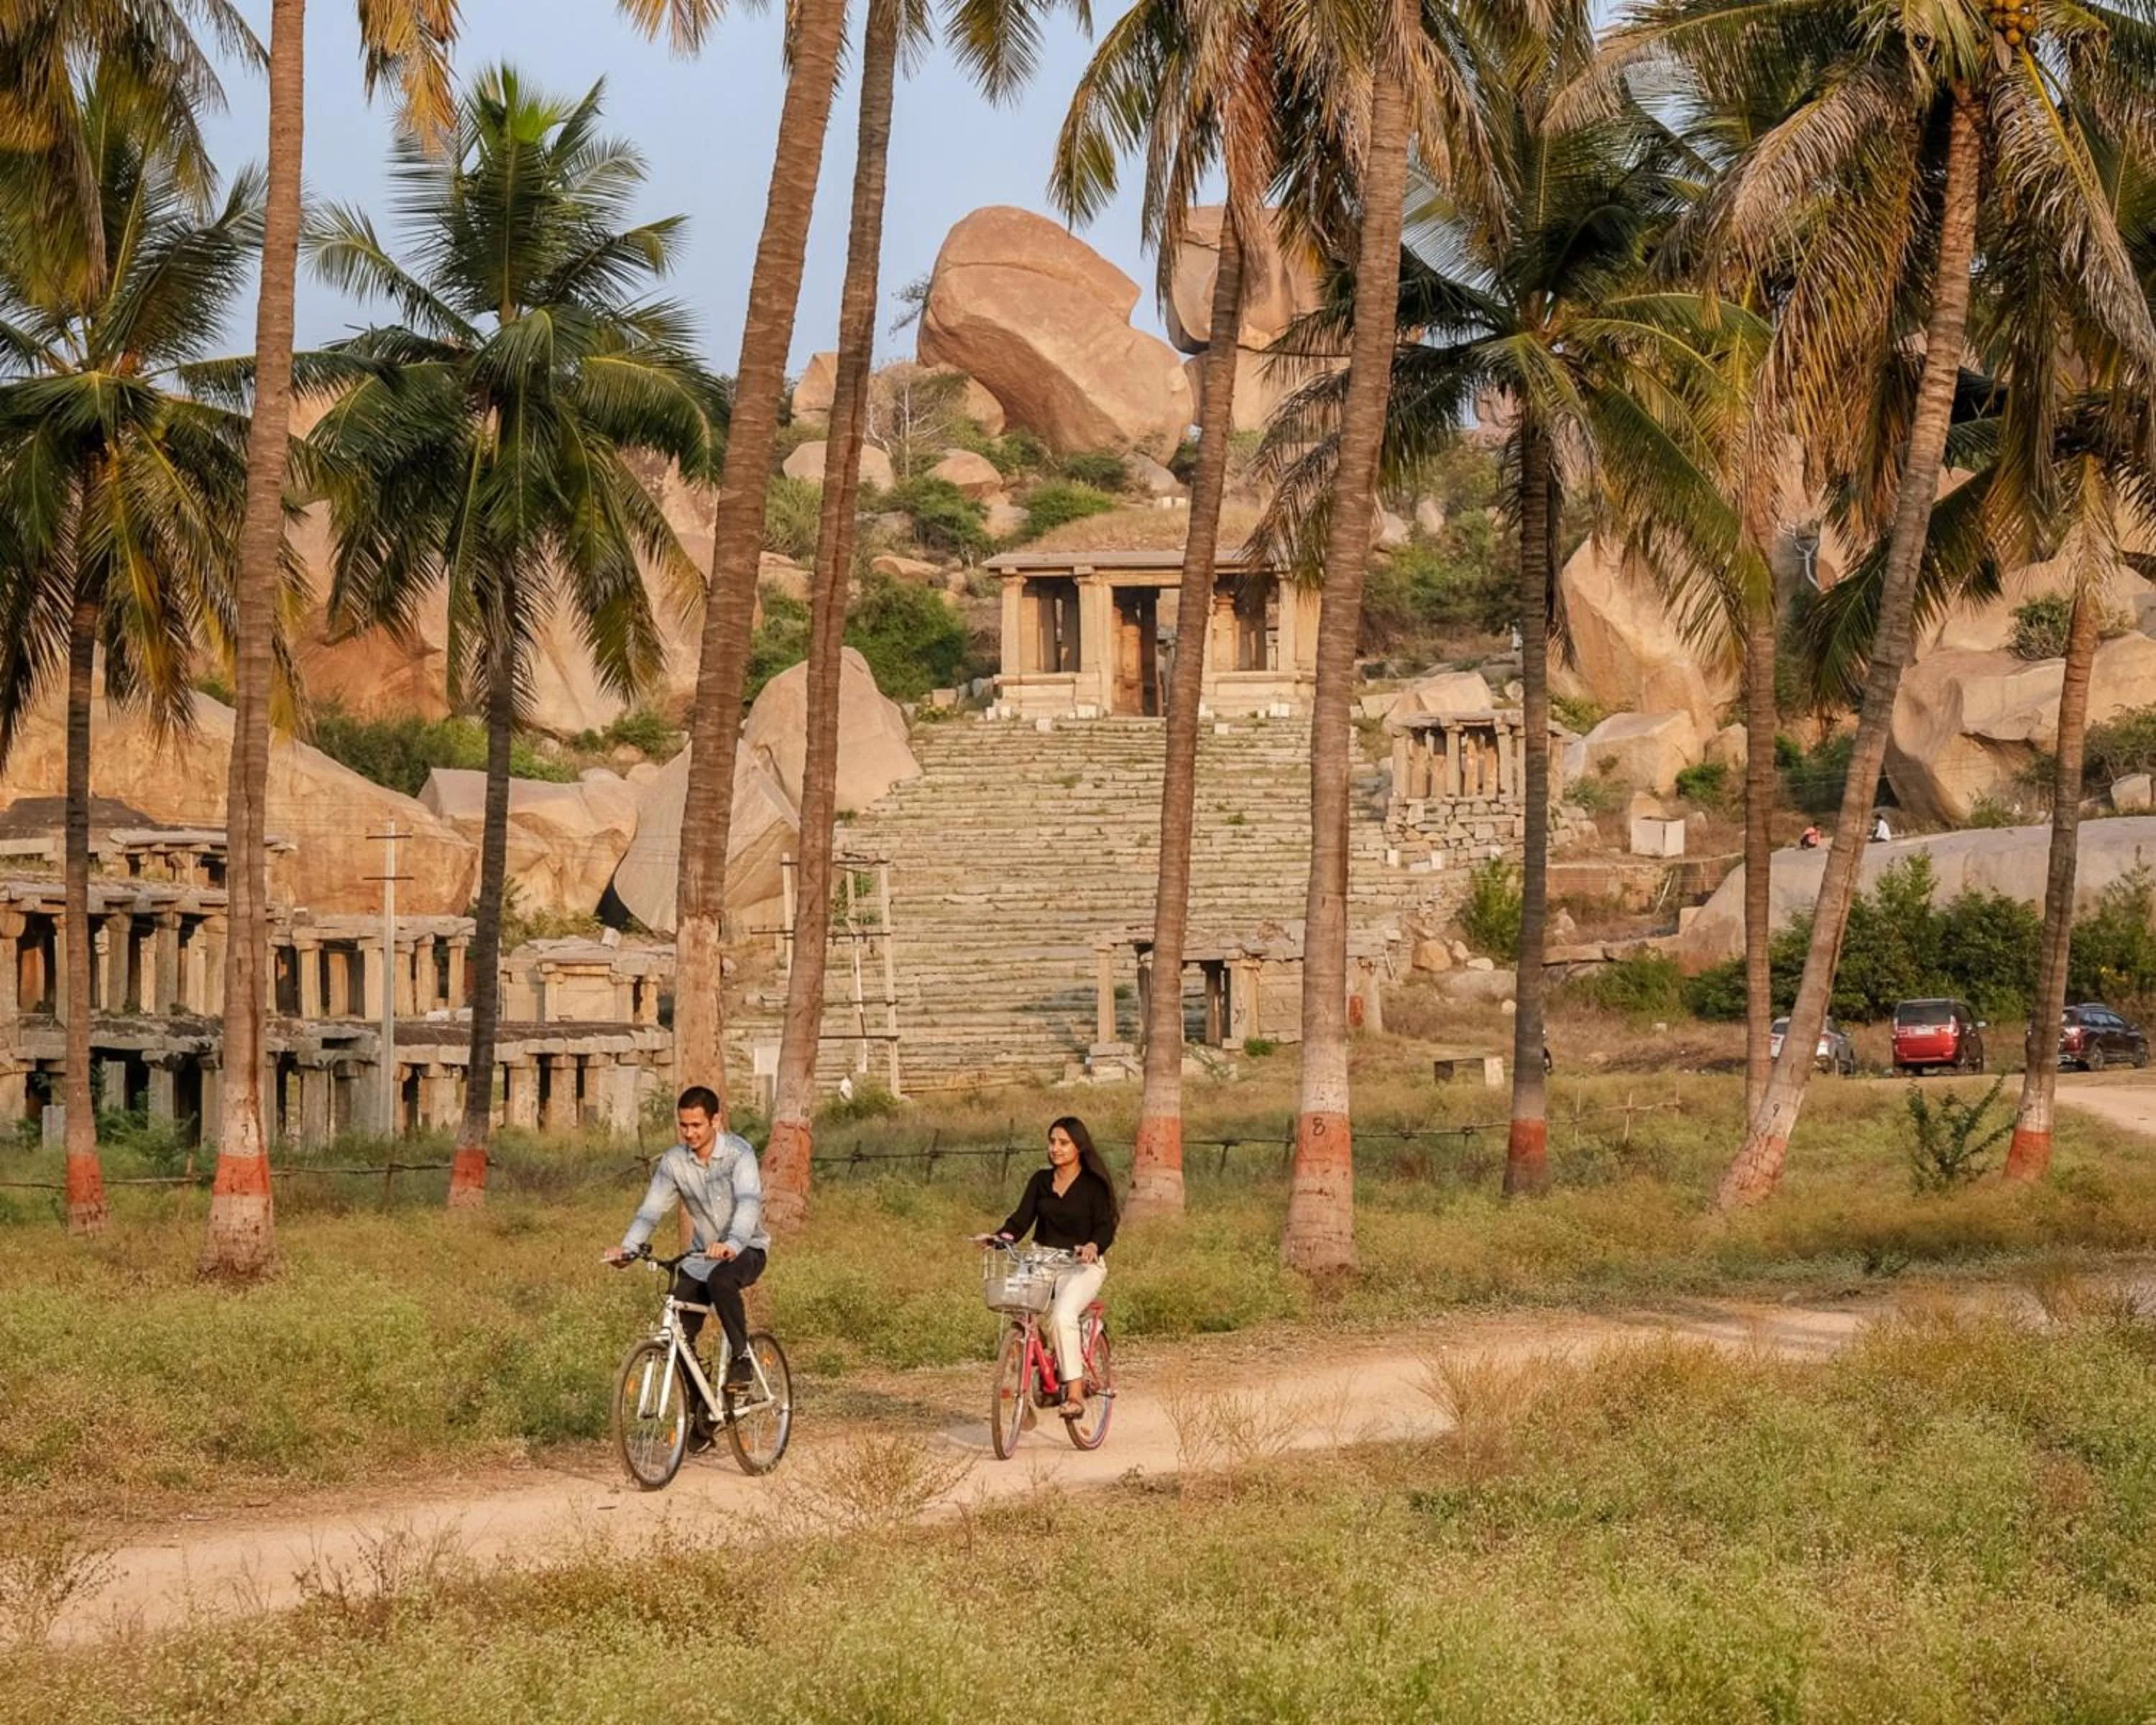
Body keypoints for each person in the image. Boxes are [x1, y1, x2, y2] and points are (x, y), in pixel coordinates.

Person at [604, 1086, 768, 1402]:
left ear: (716, 1121)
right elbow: (650, 1212)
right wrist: (628, 1249)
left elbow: (748, 1203)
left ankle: (741, 1359)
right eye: (684, 1126)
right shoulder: (674, 1162)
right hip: (700, 1257)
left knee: (723, 1279)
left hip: (747, 1249)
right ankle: (702, 1412)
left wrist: (732, 1244)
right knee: (677, 1334)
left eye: (697, 1125)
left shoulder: (739, 1154)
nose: (689, 1133)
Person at [977, 1117, 1118, 1422]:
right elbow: (1021, 1220)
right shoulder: (1041, 1181)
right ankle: (1026, 1375)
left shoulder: (1095, 1186)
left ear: (1079, 1147)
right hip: (1042, 1259)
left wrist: (1093, 1246)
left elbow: (1106, 1226)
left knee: (1063, 1317)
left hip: (1081, 1265)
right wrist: (998, 1239)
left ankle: (1076, 1394)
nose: (1055, 1148)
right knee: (1014, 1304)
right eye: (1052, 1141)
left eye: (1063, 1143)